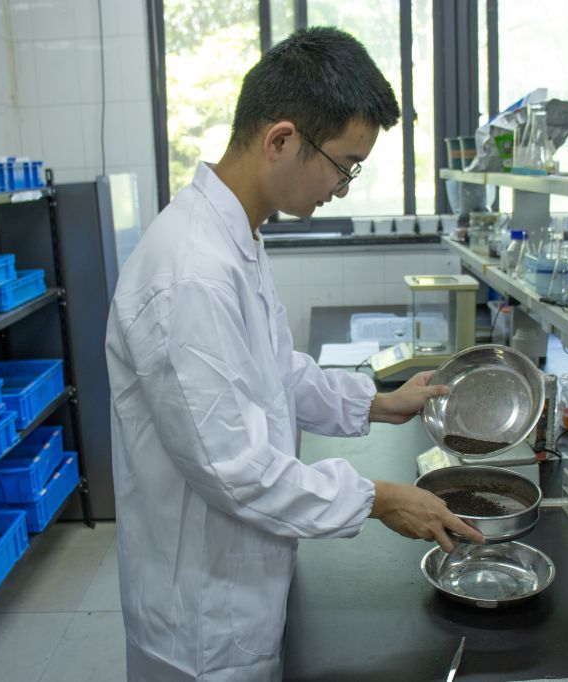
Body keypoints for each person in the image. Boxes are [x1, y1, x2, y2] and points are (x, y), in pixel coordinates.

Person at [105, 26, 483, 682]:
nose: (344, 186)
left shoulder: (237, 239)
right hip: (202, 625)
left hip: (244, 581)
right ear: (280, 140)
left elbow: (275, 372)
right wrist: (379, 499)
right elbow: (234, 470)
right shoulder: (190, 272)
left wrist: (379, 403)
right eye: (345, 164)